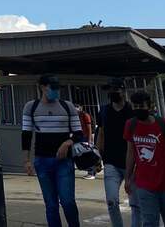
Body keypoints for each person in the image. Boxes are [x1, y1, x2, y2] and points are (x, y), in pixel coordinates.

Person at [22, 74, 83, 227]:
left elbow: (79, 134)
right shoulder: (31, 107)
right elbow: (26, 135)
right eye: (52, 88)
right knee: (51, 204)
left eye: (57, 88)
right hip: (42, 160)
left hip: (64, 161)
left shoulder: (67, 106)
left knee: (68, 201)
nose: (56, 91)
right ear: (43, 87)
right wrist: (27, 160)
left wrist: (67, 143)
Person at [124, 91, 165, 227]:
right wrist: (128, 177)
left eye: (141, 106)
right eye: (135, 106)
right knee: (149, 222)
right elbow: (131, 152)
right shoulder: (131, 125)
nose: (138, 109)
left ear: (149, 106)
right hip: (144, 183)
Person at [95, 78, 139, 227]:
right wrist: (97, 157)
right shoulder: (104, 111)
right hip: (111, 162)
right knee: (111, 201)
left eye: (115, 89)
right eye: (110, 90)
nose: (112, 92)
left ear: (123, 91)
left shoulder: (132, 111)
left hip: (132, 163)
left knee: (135, 204)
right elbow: (101, 134)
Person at [77, 105, 96, 179]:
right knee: (85, 156)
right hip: (82, 137)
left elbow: (89, 129)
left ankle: (91, 173)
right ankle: (90, 172)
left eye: (77, 108)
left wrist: (89, 140)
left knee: (88, 155)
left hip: (86, 138)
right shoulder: (78, 116)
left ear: (80, 108)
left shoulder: (85, 115)